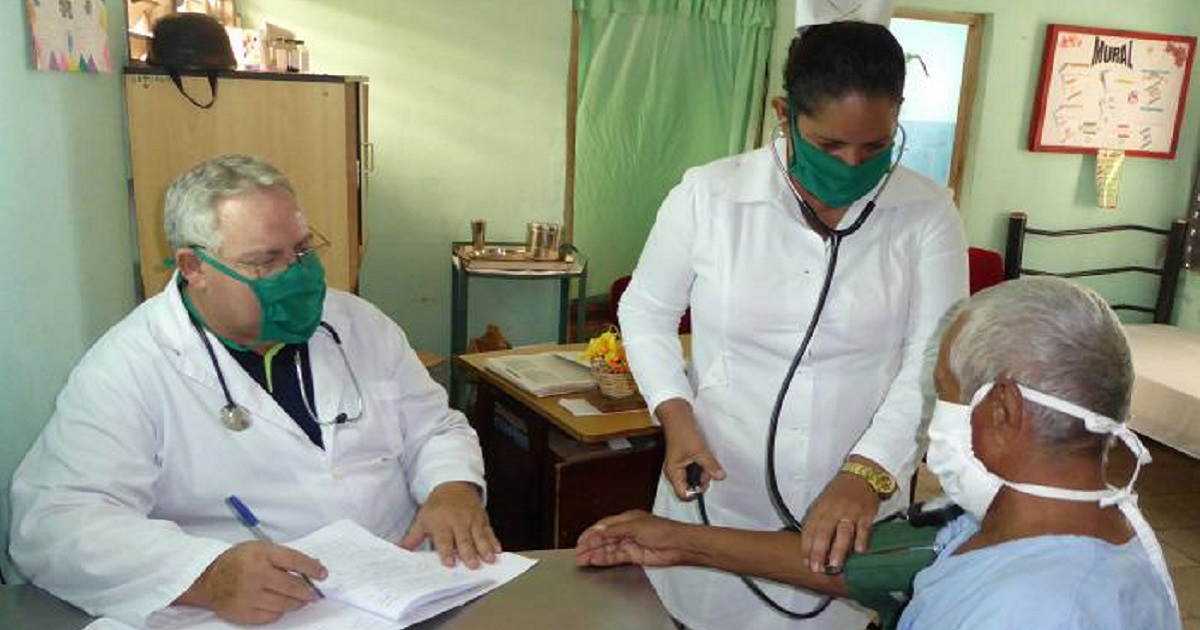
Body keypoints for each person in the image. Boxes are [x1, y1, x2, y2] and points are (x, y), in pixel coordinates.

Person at [9, 155, 499, 627]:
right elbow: (55, 522)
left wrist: (451, 488)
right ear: (193, 267)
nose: (299, 277)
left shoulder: (357, 323)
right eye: (265, 262)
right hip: (260, 614)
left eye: (303, 251)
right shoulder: (130, 366)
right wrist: (205, 575)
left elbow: (435, 426)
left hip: (405, 589)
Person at [616, 19, 967, 629]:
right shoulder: (709, 196)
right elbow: (645, 312)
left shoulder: (927, 212)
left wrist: (869, 471)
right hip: (722, 483)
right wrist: (676, 414)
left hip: (859, 493)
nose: (854, 163)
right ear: (784, 113)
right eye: (831, 146)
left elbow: (934, 354)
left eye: (875, 146)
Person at [580, 277, 1180, 629]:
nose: (934, 422)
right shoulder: (1061, 521)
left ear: (1003, 411)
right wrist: (679, 540)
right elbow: (873, 568)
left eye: (942, 394)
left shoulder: (1035, 610)